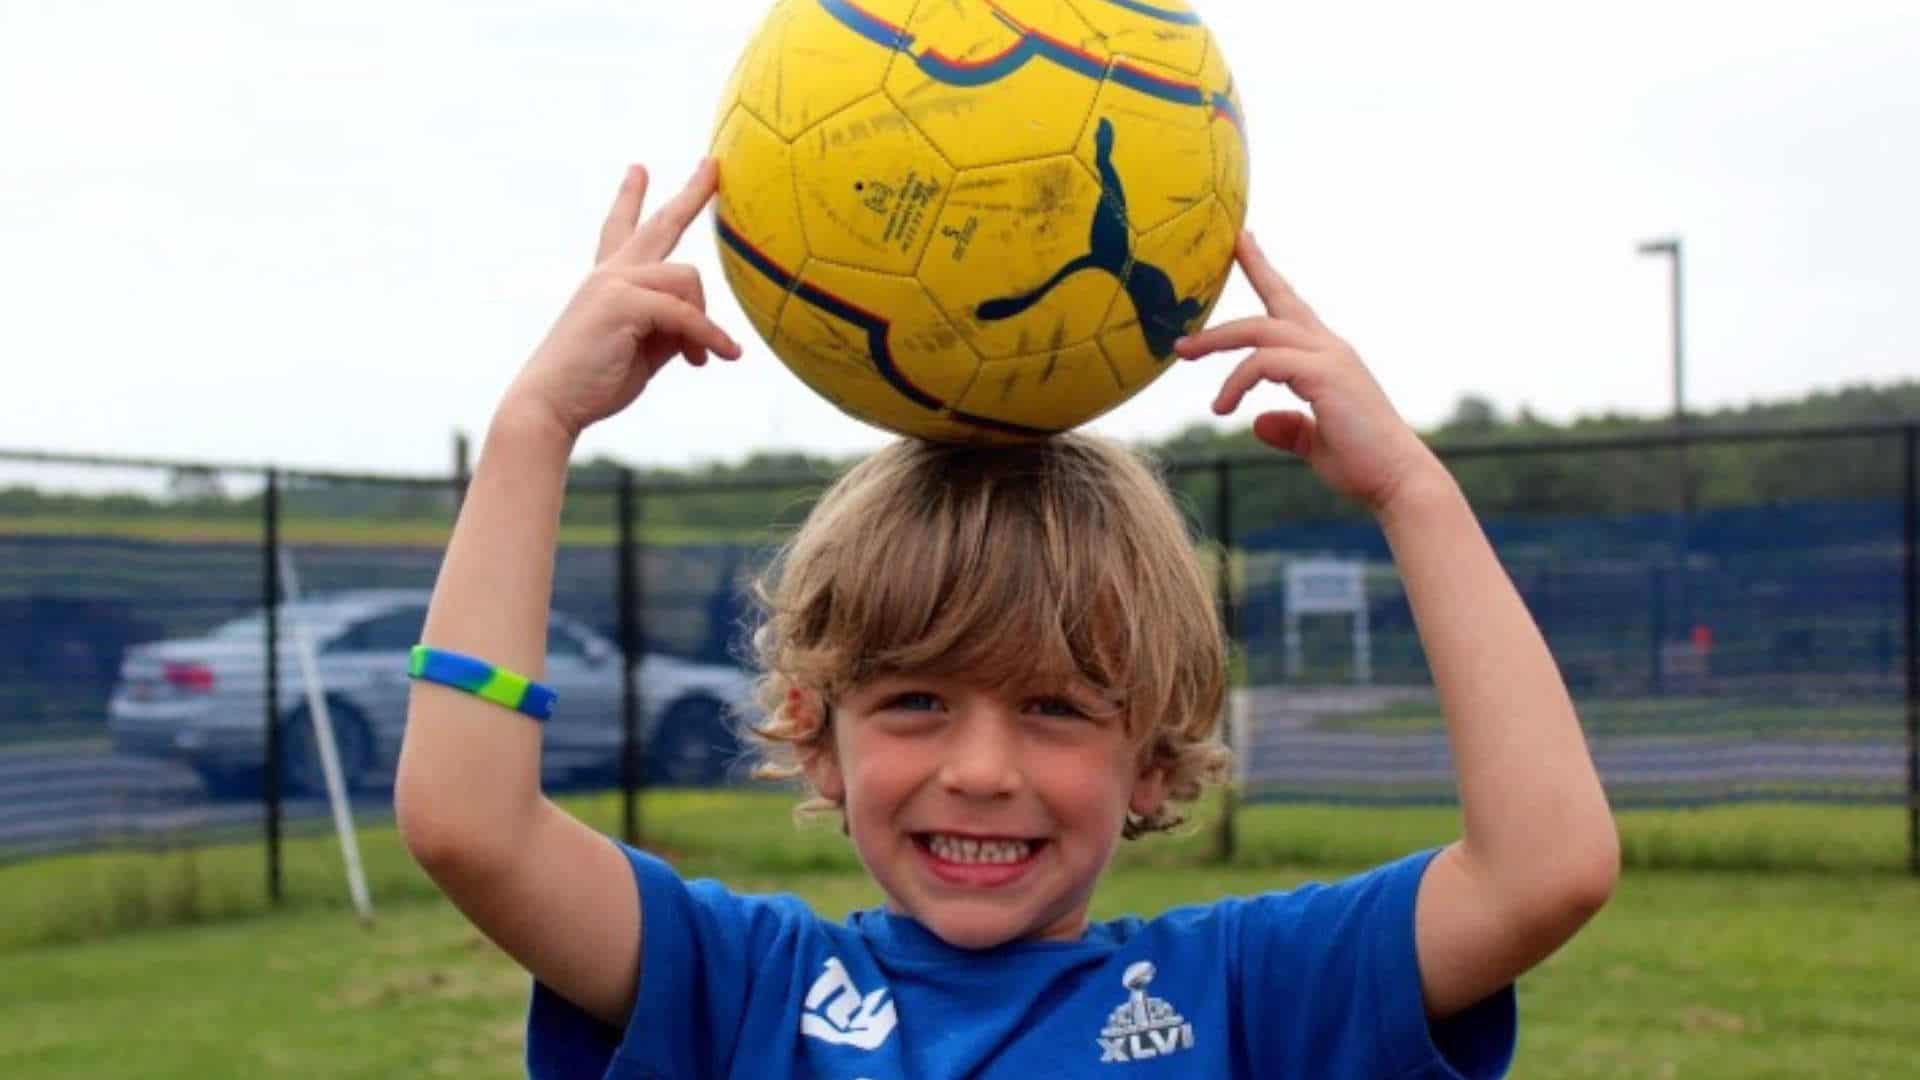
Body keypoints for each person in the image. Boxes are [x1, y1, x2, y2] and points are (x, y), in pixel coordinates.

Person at [396, 158, 1620, 1079]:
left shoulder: (1249, 993)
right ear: (815, 731)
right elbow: (469, 825)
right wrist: (533, 431)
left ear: (1153, 758)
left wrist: (1415, 490)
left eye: (1055, 709)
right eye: (918, 701)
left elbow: (1544, 870)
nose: (981, 770)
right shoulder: (741, 988)